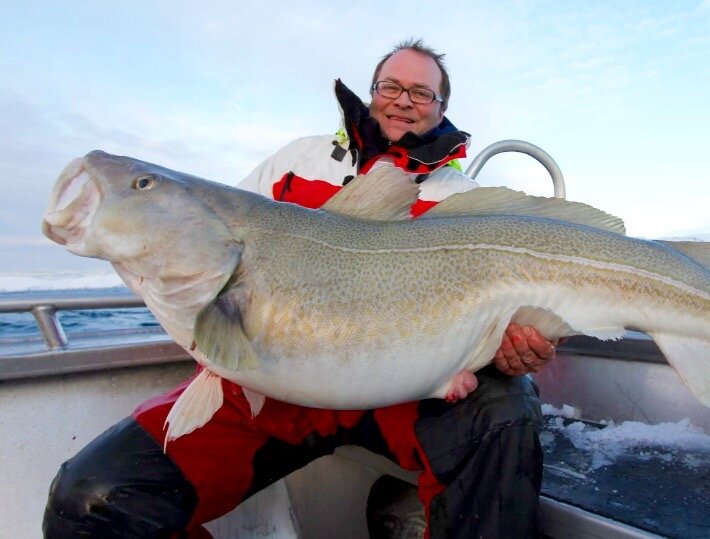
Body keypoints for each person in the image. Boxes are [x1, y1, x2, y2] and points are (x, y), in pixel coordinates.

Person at [44, 38, 557, 538]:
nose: (403, 100)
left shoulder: (465, 201)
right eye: (390, 85)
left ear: (441, 106)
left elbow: (506, 315)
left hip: (407, 395)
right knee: (91, 499)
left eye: (421, 93)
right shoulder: (297, 160)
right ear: (372, 90)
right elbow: (214, 244)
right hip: (267, 391)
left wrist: (507, 349)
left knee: (505, 414)